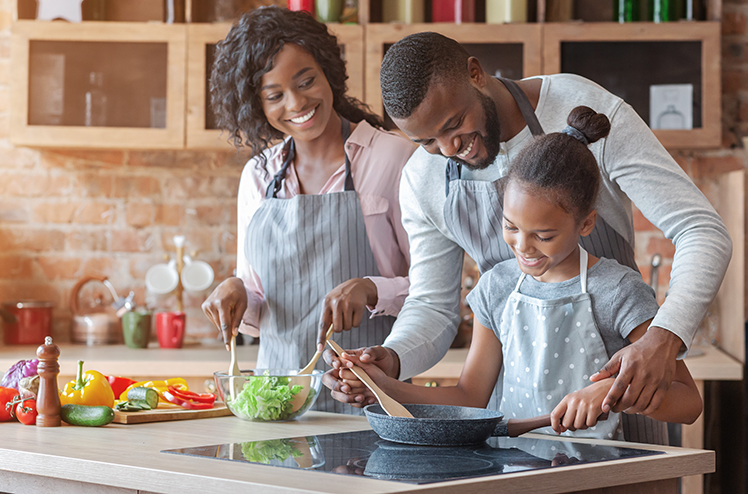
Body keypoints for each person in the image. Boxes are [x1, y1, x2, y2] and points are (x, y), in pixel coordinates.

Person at [322, 32, 730, 442]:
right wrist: (390, 363)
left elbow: (701, 229)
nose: (450, 148)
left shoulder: (580, 109)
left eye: (453, 124)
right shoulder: (425, 183)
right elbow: (432, 305)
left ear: (476, 74)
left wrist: (663, 338)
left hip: (629, 402)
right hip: (518, 433)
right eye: (427, 141)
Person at [201, 7, 415, 414]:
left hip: (371, 394)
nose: (297, 103)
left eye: (306, 81)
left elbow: (433, 293)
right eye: (274, 95)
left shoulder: (394, 158)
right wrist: (237, 290)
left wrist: (372, 289)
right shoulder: (259, 176)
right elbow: (260, 294)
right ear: (255, 104)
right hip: (277, 405)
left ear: (328, 70)